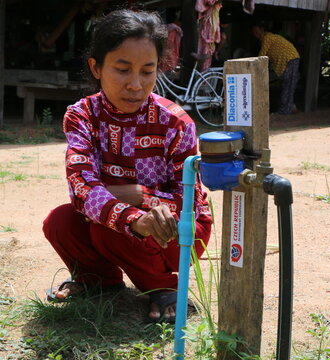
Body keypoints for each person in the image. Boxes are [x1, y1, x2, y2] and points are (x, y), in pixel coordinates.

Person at [42, 9, 212, 323]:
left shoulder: (176, 123)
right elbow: (80, 191)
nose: (136, 84)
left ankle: (164, 287)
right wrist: (134, 216)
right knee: (60, 222)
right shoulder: (81, 116)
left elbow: (188, 203)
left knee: (110, 230)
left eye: (147, 71)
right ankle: (99, 282)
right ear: (96, 67)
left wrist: (140, 196)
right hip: (118, 222)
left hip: (180, 231)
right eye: (122, 69)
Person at [252, 22, 300, 115]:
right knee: (287, 84)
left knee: (288, 85)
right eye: (253, 32)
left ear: (262, 29)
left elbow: (262, 55)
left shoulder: (267, 38)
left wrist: (253, 65)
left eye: (256, 31)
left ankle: (284, 111)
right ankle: (288, 108)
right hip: (290, 59)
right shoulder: (267, 38)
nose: (255, 33)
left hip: (290, 59)